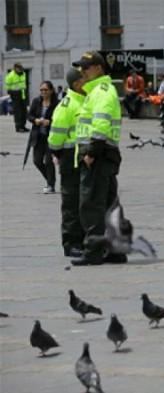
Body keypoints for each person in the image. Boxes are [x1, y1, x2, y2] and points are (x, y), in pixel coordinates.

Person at [71, 51, 125, 266]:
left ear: (99, 68)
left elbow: (100, 125)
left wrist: (91, 152)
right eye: (81, 68)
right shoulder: (99, 91)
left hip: (98, 155)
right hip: (106, 155)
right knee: (110, 205)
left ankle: (93, 252)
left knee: (91, 204)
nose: (82, 71)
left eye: (86, 67)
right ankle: (116, 250)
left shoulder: (101, 92)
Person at [47, 68, 86, 258]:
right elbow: (55, 138)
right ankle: (71, 243)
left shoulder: (85, 102)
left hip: (83, 157)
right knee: (71, 202)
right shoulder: (66, 106)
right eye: (84, 79)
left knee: (84, 201)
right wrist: (59, 153)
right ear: (77, 84)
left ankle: (84, 239)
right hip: (70, 157)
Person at [27, 80, 59, 193]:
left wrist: (49, 122)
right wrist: (35, 120)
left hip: (51, 137)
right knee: (37, 161)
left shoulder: (57, 103)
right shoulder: (36, 101)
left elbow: (60, 119)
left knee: (49, 161)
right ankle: (50, 180)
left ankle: (51, 185)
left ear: (51, 90)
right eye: (41, 90)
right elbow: (29, 115)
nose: (43, 92)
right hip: (38, 136)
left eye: (45, 90)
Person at [6, 63, 28, 132]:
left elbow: (23, 84)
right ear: (15, 68)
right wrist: (14, 93)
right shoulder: (10, 76)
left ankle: (23, 126)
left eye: (21, 68)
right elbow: (8, 88)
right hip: (15, 96)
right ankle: (18, 127)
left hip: (23, 95)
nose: (20, 70)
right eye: (19, 68)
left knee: (24, 112)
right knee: (18, 112)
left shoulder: (23, 73)